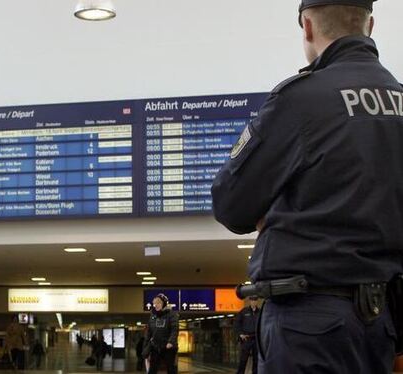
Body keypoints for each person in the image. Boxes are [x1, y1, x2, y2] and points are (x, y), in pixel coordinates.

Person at [211, 0, 402, 372]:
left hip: (307, 326)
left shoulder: (301, 99)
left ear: (308, 27)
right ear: (371, 25)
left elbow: (230, 204)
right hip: (382, 322)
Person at [144, 294, 178, 374]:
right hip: (156, 346)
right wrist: (145, 347)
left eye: (158, 303)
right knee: (152, 369)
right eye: (154, 303)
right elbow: (149, 333)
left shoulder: (172, 315)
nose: (156, 305)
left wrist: (171, 342)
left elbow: (174, 329)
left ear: (164, 303)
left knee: (171, 368)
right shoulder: (153, 316)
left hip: (168, 347)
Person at [234, 297, 260, 374]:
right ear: (250, 301)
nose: (254, 302)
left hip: (256, 339)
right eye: (252, 300)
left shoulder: (260, 312)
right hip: (246, 338)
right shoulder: (244, 311)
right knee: (243, 359)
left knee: (256, 359)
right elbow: (236, 323)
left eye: (255, 300)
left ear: (257, 302)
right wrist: (240, 334)